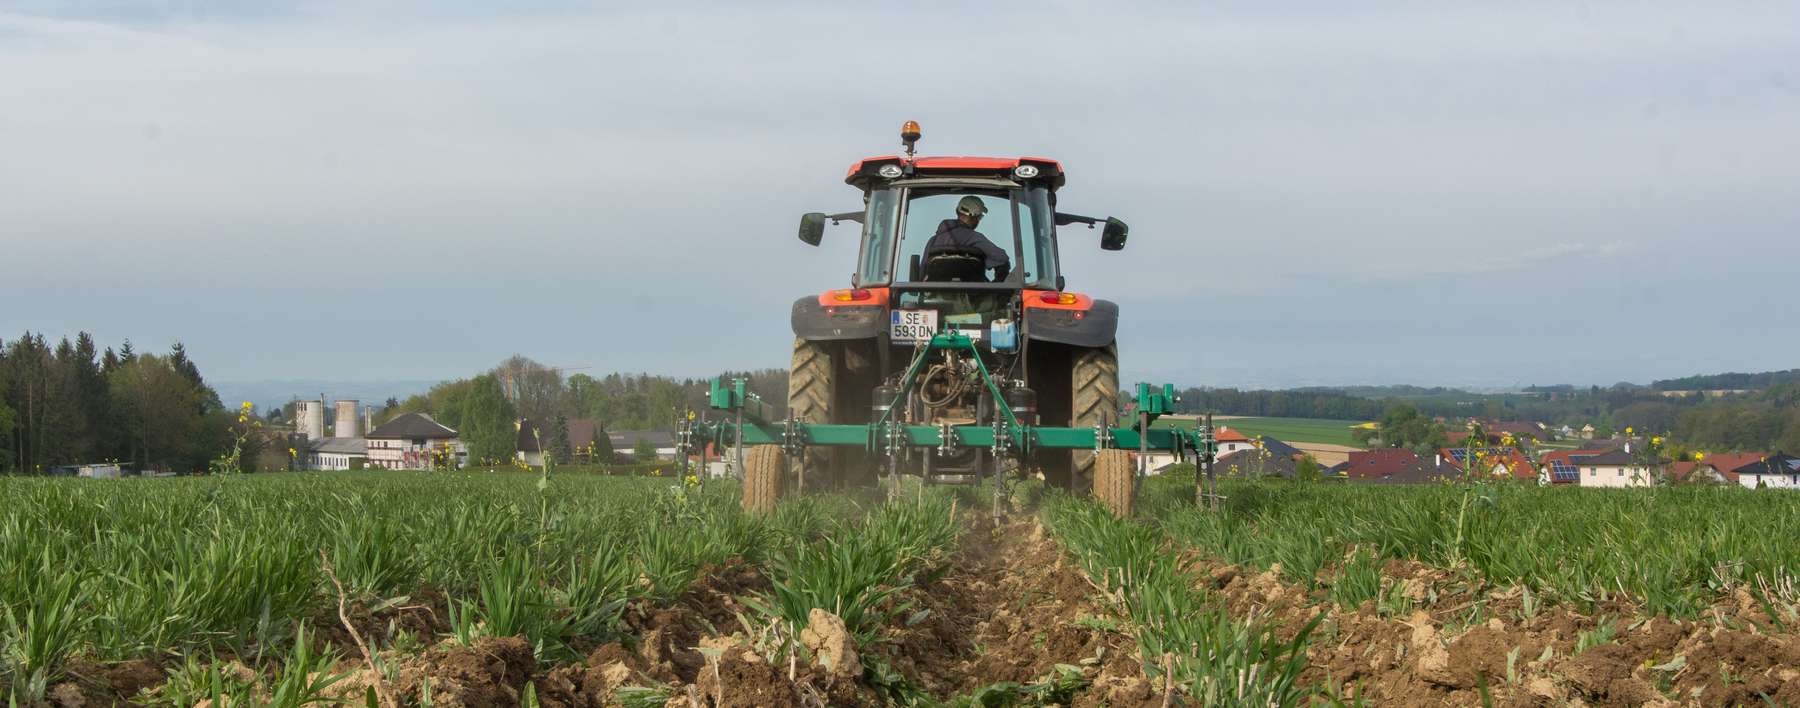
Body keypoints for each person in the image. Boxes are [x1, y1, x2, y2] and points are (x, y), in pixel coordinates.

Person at [924, 195, 1011, 281]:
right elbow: (1002, 258)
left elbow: (922, 273)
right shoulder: (974, 237)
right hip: (974, 290)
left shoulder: (932, 241)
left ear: (957, 211)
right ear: (975, 216)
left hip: (935, 289)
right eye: (980, 217)